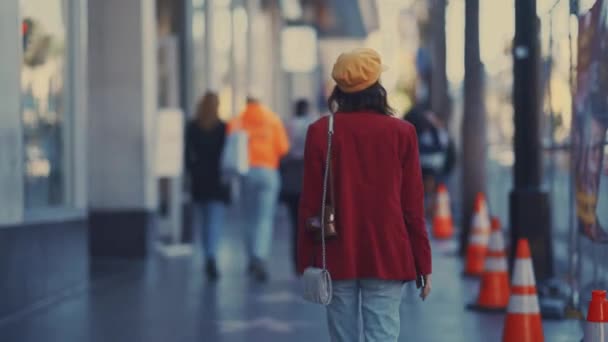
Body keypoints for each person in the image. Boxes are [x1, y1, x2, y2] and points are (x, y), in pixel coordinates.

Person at [297, 48, 432, 341]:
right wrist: (423, 262)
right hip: (388, 250)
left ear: (339, 89)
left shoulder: (320, 132)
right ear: (377, 86)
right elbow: (412, 206)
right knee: (382, 334)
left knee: (342, 336)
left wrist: (305, 255)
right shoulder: (402, 133)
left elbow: (309, 201)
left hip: (336, 250)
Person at [229, 93, 290, 282]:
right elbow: (283, 148)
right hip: (268, 172)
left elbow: (231, 147)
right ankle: (260, 256)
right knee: (264, 218)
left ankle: (251, 258)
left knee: (248, 217)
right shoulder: (273, 120)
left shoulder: (237, 121)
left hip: (246, 172)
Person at [185, 92, 230, 281]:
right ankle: (211, 256)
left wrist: (192, 171)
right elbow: (228, 155)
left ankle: (207, 255)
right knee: (215, 221)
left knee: (203, 221)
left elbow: (187, 154)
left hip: (199, 179)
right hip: (217, 179)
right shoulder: (223, 128)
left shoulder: (192, 127)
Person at [280, 99, 315, 273]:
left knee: (295, 223)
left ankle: (297, 261)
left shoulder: (287, 125)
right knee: (309, 222)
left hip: (291, 180)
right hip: (308, 178)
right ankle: (309, 259)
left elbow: (282, 151)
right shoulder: (312, 125)